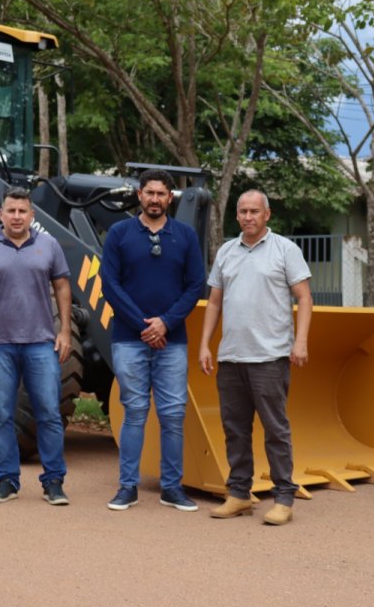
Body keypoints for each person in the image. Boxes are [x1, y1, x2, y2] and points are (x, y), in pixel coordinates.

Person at [198, 190, 312, 526]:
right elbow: (215, 302)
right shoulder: (226, 252)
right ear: (237, 216)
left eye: (254, 211)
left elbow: (304, 298)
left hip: (270, 356)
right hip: (232, 356)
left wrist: (301, 341)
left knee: (275, 429)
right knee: (235, 429)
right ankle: (238, 494)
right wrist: (205, 344)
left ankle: (283, 498)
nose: (248, 217)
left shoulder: (285, 250)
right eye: (243, 212)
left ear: (267, 215)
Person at [0, 187, 73, 506]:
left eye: (23, 211)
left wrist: (65, 331)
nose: (17, 217)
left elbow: (62, 286)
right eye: (12, 211)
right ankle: (7, 480)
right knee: (0, 415)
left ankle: (53, 482)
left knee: (49, 412)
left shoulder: (49, 245)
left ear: (32, 215)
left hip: (41, 344)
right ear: (1, 214)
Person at [101, 169, 205, 512]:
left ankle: (171, 487)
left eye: (162, 193)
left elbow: (195, 285)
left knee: (173, 414)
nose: (156, 199)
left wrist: (166, 323)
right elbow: (109, 284)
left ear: (170, 197)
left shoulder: (186, 236)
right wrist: (144, 325)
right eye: (150, 193)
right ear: (140, 195)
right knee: (135, 411)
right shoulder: (119, 233)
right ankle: (127, 486)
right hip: (128, 340)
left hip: (173, 342)